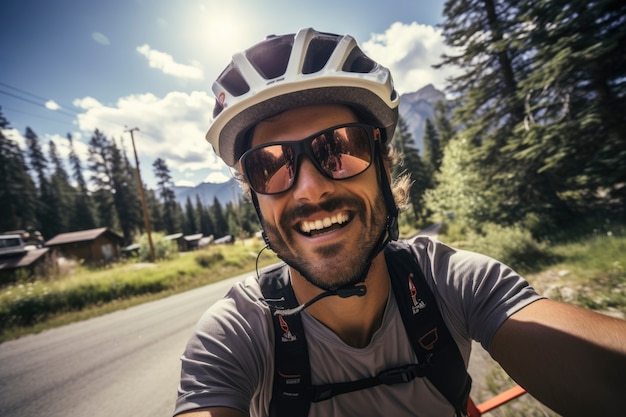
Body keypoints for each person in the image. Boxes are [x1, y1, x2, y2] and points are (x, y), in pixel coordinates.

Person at [174, 28, 626, 417]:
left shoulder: (451, 281)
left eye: (340, 147)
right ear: (255, 198)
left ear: (385, 172)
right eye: (269, 166)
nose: (310, 189)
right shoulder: (234, 333)